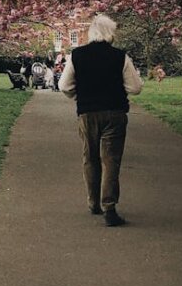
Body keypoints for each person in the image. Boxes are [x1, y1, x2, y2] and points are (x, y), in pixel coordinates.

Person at [59, 14, 144, 227]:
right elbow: (135, 88)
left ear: (91, 34)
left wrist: (80, 94)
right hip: (115, 113)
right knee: (111, 160)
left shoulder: (76, 55)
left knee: (90, 158)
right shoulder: (120, 57)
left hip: (87, 113)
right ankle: (110, 207)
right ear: (111, 33)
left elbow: (64, 86)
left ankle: (93, 202)